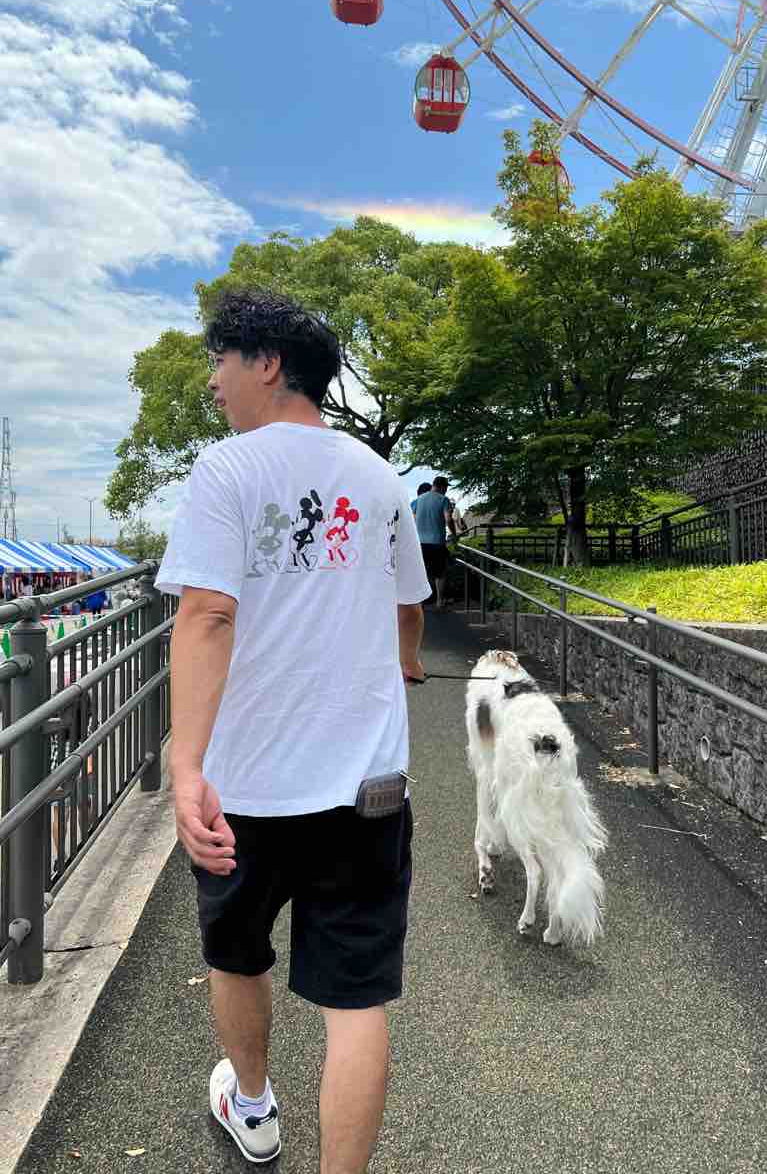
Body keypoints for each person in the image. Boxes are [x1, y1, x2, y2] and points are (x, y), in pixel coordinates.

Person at [156, 287, 429, 1171]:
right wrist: (402, 669)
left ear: (268, 363)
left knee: (237, 954)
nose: (213, 381)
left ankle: (253, 1107)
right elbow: (410, 610)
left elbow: (206, 615)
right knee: (356, 1002)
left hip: (248, 786)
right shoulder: (380, 478)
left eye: (220, 361)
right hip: (367, 786)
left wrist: (184, 766)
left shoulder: (227, 471)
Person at [414, 476, 458, 607]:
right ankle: (439, 601)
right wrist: (454, 534)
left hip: (419, 543)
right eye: (446, 488)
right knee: (440, 573)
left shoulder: (417, 500)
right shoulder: (443, 500)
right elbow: (448, 519)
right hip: (437, 542)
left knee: (421, 573)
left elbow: (412, 520)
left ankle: (420, 602)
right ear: (443, 487)